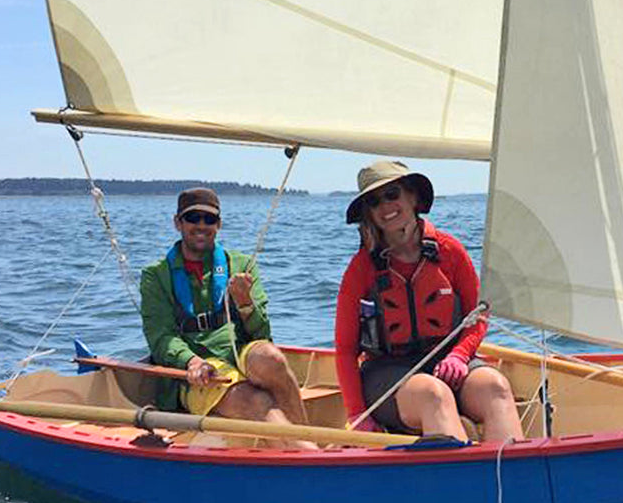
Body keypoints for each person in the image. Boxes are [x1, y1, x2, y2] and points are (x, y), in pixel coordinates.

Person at [334, 160, 524, 444]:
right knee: (433, 395)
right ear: (369, 214)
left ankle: (512, 469)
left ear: (413, 197)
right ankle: (460, 470)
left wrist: (459, 355)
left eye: (392, 194)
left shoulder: (451, 251)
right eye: (374, 202)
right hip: (386, 374)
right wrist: (357, 414)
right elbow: (345, 351)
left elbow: (479, 316)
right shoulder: (360, 270)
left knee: (495, 387)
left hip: (449, 363)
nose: (385, 206)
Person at [141, 187, 316, 448]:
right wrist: (192, 361)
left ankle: (306, 446)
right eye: (193, 218)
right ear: (178, 223)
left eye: (209, 219)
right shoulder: (155, 276)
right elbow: (161, 337)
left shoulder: (242, 265)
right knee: (255, 401)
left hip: (239, 350)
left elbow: (262, 334)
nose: (202, 225)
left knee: (272, 359)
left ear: (219, 225)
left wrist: (245, 303)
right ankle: (307, 455)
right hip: (195, 370)